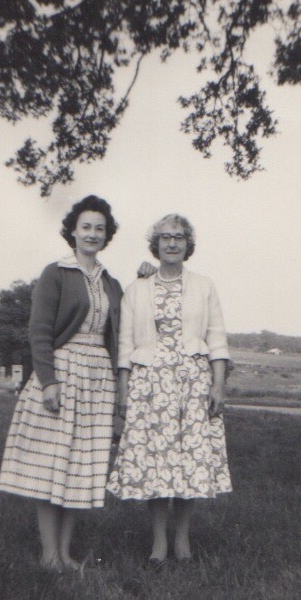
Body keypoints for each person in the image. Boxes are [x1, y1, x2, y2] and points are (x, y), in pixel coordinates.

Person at [0, 195, 124, 572]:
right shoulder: (56, 272)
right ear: (73, 231)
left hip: (98, 378)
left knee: (80, 468)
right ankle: (48, 555)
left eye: (100, 228)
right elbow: (39, 332)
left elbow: (125, 321)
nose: (92, 234)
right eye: (86, 227)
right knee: (52, 464)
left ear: (107, 235)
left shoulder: (111, 282)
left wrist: (147, 275)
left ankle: (65, 554)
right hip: (63, 372)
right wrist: (48, 381)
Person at [106, 214, 232, 566]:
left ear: (188, 244)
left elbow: (217, 340)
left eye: (178, 237)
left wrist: (218, 386)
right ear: (156, 244)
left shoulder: (204, 286)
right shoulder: (137, 289)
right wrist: (123, 392)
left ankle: (183, 538)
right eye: (165, 237)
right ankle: (159, 542)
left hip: (192, 383)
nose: (172, 243)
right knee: (157, 462)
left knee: (188, 460)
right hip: (150, 385)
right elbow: (126, 345)